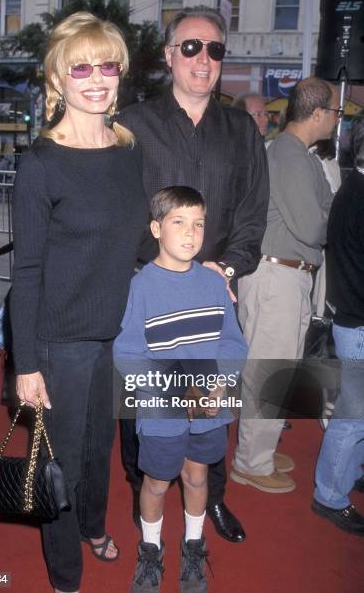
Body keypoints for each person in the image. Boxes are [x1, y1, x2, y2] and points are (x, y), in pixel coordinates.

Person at [116, 5, 269, 543]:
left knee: (211, 401)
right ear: (168, 55)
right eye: (191, 47)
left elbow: (253, 212)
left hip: (215, 290)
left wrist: (223, 267)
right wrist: (155, 269)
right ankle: (145, 493)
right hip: (148, 288)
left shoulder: (241, 129)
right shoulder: (133, 124)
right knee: (146, 404)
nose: (204, 59)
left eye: (215, 50)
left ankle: (213, 501)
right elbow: (116, 212)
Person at [9, 12, 148, 593]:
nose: (96, 78)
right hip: (59, 342)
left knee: (100, 447)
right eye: (80, 67)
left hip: (114, 334)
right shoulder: (41, 164)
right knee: (59, 460)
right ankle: (65, 570)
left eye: (106, 64)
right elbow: (28, 269)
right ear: (58, 81)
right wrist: (26, 365)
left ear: (120, 73)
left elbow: (136, 239)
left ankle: (93, 525)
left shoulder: (126, 149)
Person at [114, 186, 247, 592]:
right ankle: (150, 551)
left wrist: (222, 382)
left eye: (198, 224)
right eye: (178, 223)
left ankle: (193, 545)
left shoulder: (212, 284)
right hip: (162, 409)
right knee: (156, 481)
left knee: (197, 476)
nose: (190, 234)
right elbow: (128, 352)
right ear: (156, 228)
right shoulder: (142, 286)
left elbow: (232, 341)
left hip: (210, 405)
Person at [231, 77, 338, 492]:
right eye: (333, 111)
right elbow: (314, 225)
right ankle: (251, 462)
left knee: (281, 371)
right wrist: (335, 224)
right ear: (316, 113)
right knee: (270, 372)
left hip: (288, 275)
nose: (335, 119)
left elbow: (324, 212)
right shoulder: (291, 156)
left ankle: (260, 449)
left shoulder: (299, 154)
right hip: (277, 276)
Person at [311, 115, 364, 535]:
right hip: (358, 322)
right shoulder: (359, 197)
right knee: (353, 417)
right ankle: (330, 494)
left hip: (353, 318)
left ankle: (346, 475)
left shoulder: (354, 189)